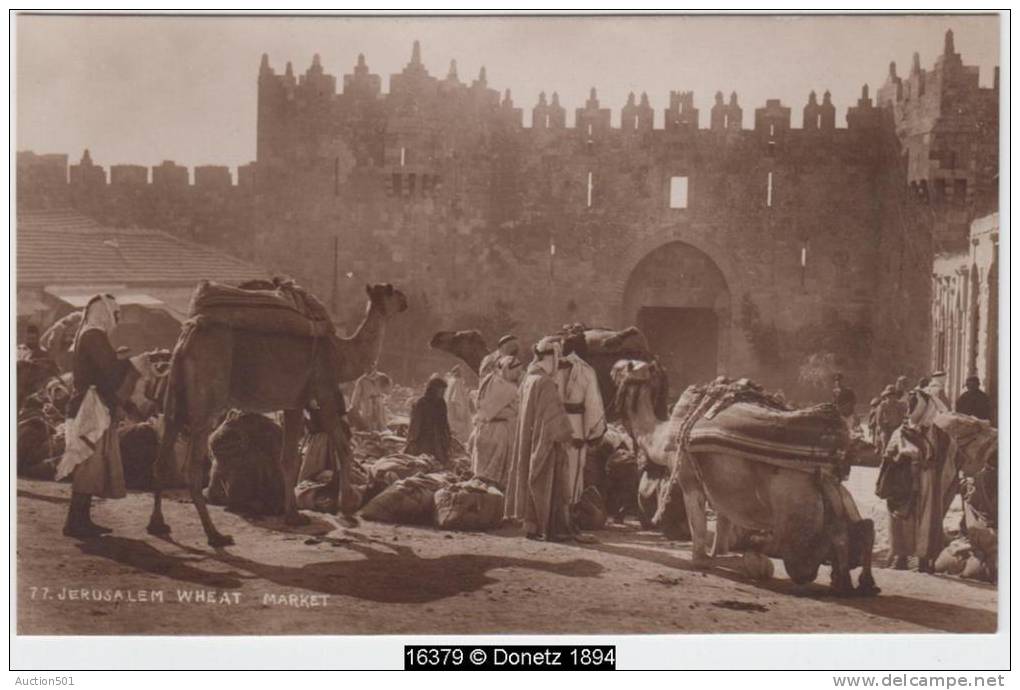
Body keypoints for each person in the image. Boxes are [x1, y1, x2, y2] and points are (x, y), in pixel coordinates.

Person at [55, 294, 140, 539]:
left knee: (88, 464)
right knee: (88, 464)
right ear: (104, 313)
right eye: (114, 314)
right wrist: (127, 363)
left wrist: (117, 359)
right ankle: (75, 523)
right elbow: (110, 372)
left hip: (87, 404)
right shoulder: (94, 335)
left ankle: (80, 521)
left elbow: (103, 367)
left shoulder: (89, 334)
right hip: (90, 406)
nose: (116, 320)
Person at [881, 388, 960, 573]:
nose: (910, 408)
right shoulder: (902, 430)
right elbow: (889, 453)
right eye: (909, 405)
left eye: (914, 405)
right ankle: (901, 556)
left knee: (925, 519)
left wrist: (927, 462)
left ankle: (924, 559)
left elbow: (948, 455)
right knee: (902, 517)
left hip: (927, 481)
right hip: (904, 480)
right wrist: (901, 457)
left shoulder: (938, 433)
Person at [505, 337, 575, 541]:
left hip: (529, 437)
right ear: (552, 356)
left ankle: (532, 527)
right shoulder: (545, 382)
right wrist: (565, 434)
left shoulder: (528, 378)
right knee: (546, 481)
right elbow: (552, 418)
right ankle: (549, 528)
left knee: (529, 475)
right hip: (544, 439)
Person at [557, 338, 606, 533]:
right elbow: (592, 405)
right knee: (574, 469)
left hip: (555, 422)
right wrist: (594, 431)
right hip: (576, 425)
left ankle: (553, 518)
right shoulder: (586, 371)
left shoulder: (552, 368)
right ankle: (569, 519)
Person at [470, 355, 522, 488]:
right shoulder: (508, 388)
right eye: (516, 372)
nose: (517, 376)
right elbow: (516, 409)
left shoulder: (489, 379)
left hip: (483, 430)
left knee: (481, 472)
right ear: (507, 370)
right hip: (499, 434)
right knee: (495, 476)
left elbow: (482, 408)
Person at [405, 375, 452, 465]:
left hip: (439, 438)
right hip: (424, 440)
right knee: (424, 462)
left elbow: (445, 422)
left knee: (439, 463)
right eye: (440, 390)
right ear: (432, 389)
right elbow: (415, 424)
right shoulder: (421, 403)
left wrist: (447, 436)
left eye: (444, 391)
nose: (442, 393)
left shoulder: (441, 403)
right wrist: (412, 440)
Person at [444, 364, 474, 443]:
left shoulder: (450, 381)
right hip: (456, 415)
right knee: (459, 437)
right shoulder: (457, 382)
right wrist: (460, 416)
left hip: (450, 412)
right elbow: (457, 401)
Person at [875, 384, 907, 456]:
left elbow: (903, 416)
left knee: (900, 445)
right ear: (886, 396)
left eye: (893, 395)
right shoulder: (883, 405)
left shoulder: (899, 404)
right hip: (886, 428)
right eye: (889, 395)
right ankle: (884, 459)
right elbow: (879, 419)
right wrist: (882, 428)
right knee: (886, 444)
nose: (891, 397)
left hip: (897, 428)